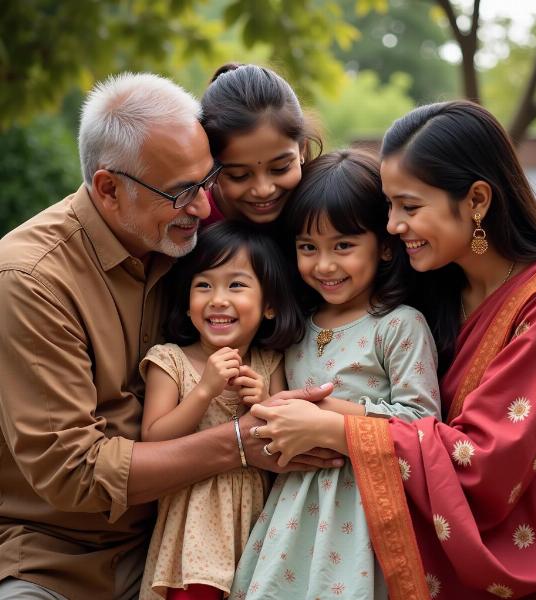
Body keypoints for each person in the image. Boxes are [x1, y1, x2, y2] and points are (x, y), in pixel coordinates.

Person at [0, 72, 339, 600]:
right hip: (57, 558)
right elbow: (74, 471)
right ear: (109, 189)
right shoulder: (32, 280)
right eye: (183, 192)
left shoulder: (184, 245)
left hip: (187, 536)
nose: (206, 208)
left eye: (208, 182)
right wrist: (240, 444)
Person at [247, 102, 536, 599]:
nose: (392, 225)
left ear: (477, 200)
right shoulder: (435, 288)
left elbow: (484, 465)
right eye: (389, 206)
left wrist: (337, 427)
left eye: (409, 207)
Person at [231, 149, 441, 599]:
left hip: (365, 512)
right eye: (308, 247)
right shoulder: (296, 327)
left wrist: (326, 413)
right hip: (292, 513)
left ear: (384, 245)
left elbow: (423, 426)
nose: (324, 265)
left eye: (343, 246)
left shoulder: (398, 325)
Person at [139, 221, 304, 600]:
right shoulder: (171, 361)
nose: (218, 299)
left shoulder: (269, 363)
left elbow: (283, 446)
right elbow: (153, 439)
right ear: (186, 300)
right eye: (204, 285)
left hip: (257, 523)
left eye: (236, 285)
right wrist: (204, 391)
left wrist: (262, 402)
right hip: (194, 526)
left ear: (270, 305)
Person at [200, 63, 321, 228]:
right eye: (239, 175)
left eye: (280, 168)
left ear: (302, 149)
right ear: (211, 169)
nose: (263, 190)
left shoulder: (325, 212)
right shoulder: (191, 226)